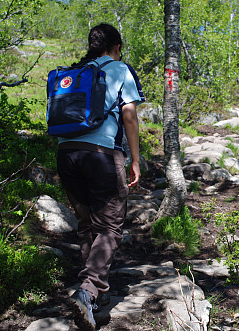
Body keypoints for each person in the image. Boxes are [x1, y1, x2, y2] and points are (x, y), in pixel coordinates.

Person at [56, 23, 144, 331]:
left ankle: (93, 297)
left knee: (86, 224)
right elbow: (129, 115)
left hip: (67, 154)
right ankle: (89, 290)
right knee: (109, 226)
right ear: (116, 47)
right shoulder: (119, 69)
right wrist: (134, 159)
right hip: (102, 155)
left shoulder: (74, 73)